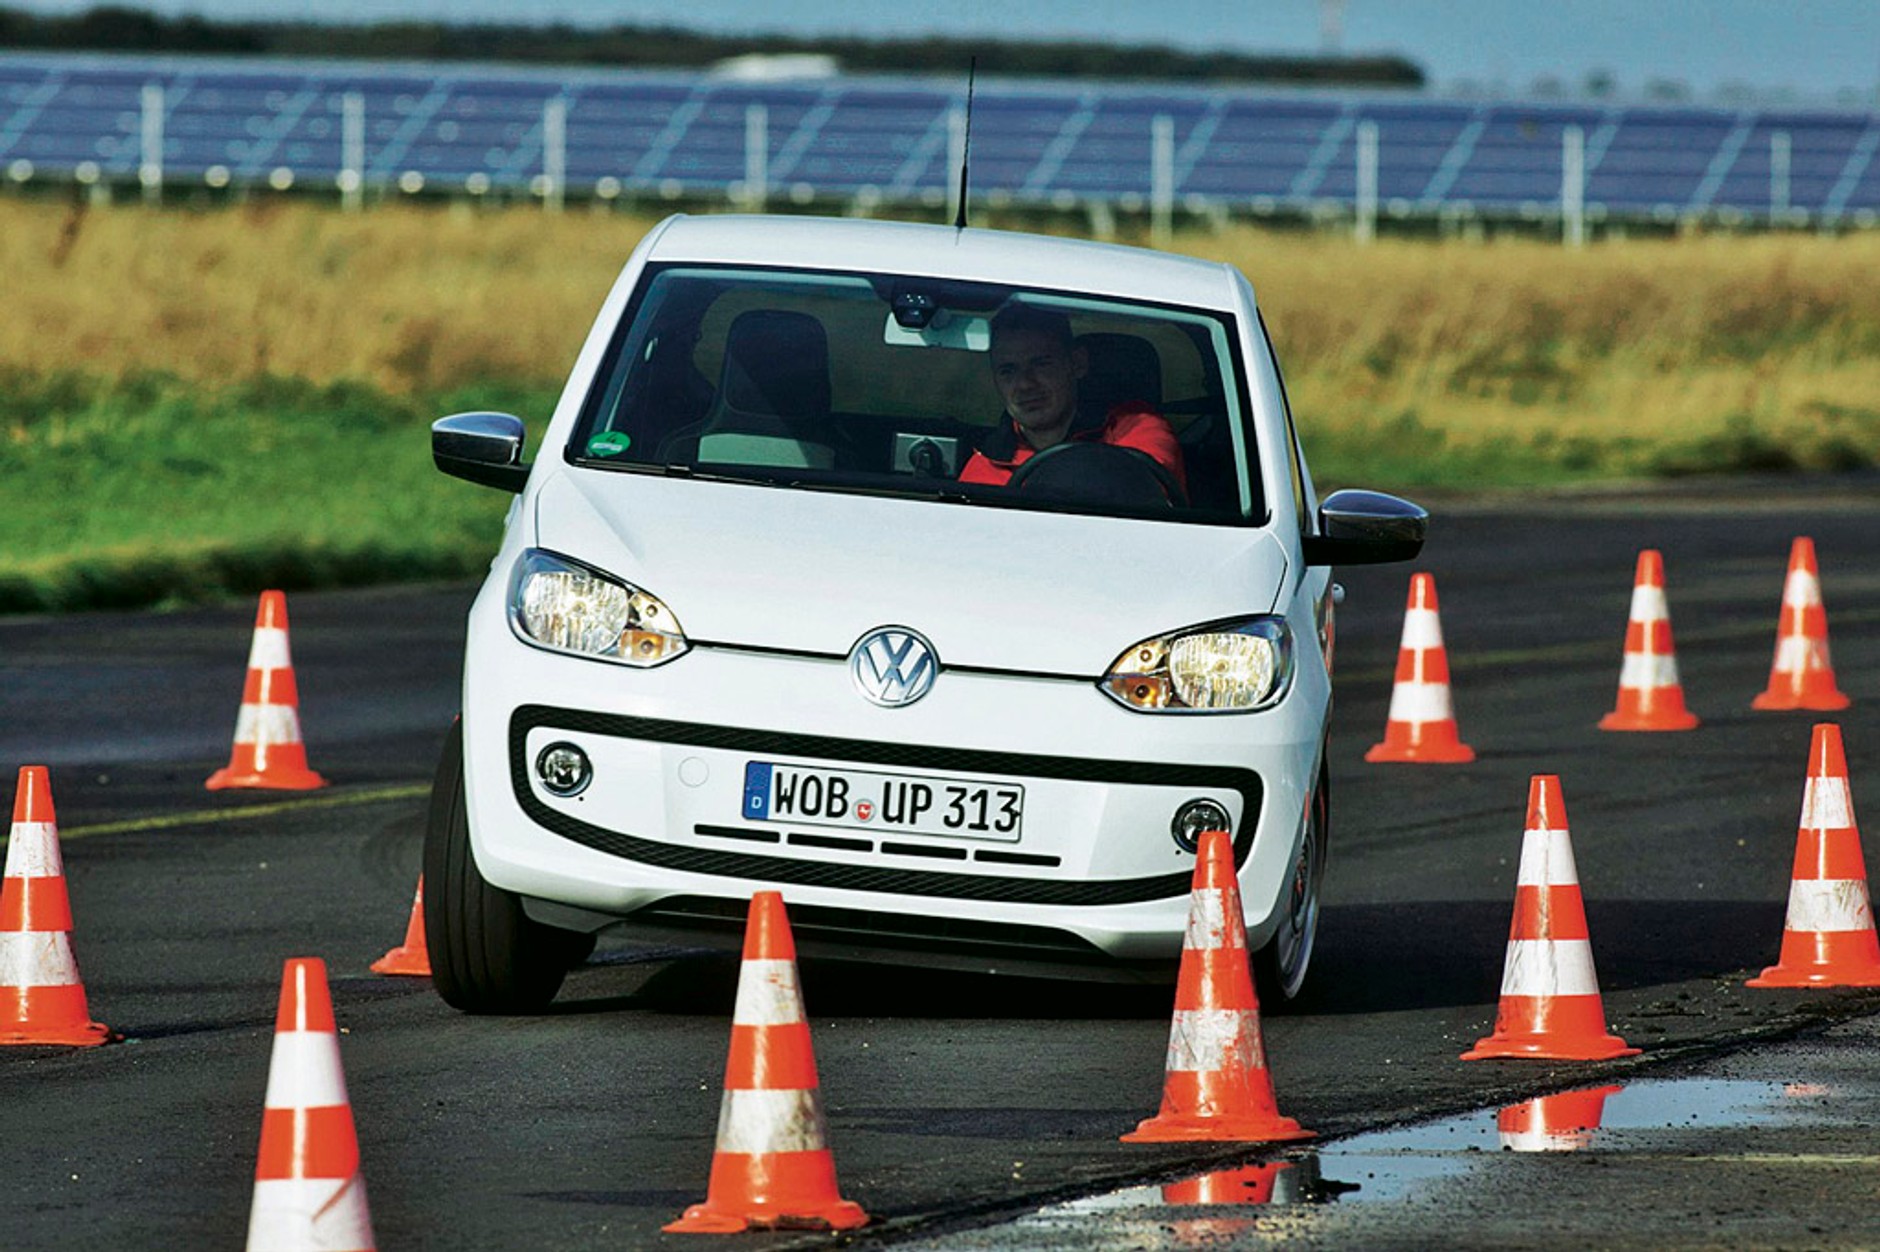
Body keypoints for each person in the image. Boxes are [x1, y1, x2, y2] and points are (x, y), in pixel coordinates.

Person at [958, 305, 1186, 495]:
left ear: (1077, 363)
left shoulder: (1137, 430)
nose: (1025, 384)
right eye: (1008, 371)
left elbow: (1142, 500)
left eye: (1040, 364)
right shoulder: (983, 466)